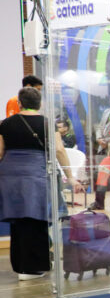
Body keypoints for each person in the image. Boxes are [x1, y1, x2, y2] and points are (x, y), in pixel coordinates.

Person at [0, 87, 81, 279]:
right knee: (37, 218)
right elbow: (60, 150)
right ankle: (34, 266)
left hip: (10, 176)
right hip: (36, 174)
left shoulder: (5, 124)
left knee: (18, 220)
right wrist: (69, 175)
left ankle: (20, 266)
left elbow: (0, 152)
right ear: (40, 104)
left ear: (19, 103)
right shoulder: (46, 124)